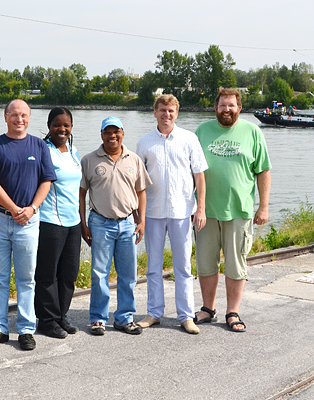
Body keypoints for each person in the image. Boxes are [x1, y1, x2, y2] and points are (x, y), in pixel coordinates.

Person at [0, 99, 56, 351]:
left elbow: (46, 181)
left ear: (29, 118)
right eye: (14, 114)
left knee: (26, 278)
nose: (19, 119)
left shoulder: (39, 146)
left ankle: (25, 329)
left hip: (29, 221)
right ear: (5, 117)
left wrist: (32, 208)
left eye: (23, 115)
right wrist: (13, 208)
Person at [194, 88, 271, 332]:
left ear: (239, 108)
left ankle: (232, 312)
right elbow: (191, 169)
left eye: (231, 105)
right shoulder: (202, 131)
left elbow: (263, 170)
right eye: (222, 105)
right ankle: (208, 309)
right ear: (215, 107)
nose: (226, 109)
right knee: (205, 263)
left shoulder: (252, 132)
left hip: (239, 211)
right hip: (206, 211)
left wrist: (263, 207)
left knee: (236, 265)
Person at [136, 94, 208, 334]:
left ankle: (186, 316)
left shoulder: (189, 139)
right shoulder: (144, 142)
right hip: (153, 212)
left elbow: (199, 176)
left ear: (177, 113)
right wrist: (138, 214)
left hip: (182, 211)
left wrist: (201, 208)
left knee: (183, 267)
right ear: (155, 112)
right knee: (153, 266)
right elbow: (138, 182)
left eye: (171, 111)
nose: (166, 114)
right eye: (162, 110)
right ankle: (154, 313)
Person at [79, 116, 152, 336]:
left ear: (122, 133)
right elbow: (81, 194)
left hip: (128, 223)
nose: (112, 136)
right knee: (99, 274)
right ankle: (98, 318)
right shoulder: (89, 160)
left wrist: (142, 221)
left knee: (128, 275)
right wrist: (83, 223)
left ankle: (124, 318)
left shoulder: (134, 159)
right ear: (101, 135)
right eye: (107, 132)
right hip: (100, 223)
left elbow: (141, 192)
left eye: (116, 132)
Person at [34, 107, 82, 339]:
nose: (61, 129)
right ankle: (46, 320)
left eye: (66, 125)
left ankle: (61, 315)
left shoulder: (73, 150)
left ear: (71, 127)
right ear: (49, 126)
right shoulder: (43, 150)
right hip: (50, 221)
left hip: (73, 222)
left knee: (69, 273)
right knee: (48, 273)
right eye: (57, 125)